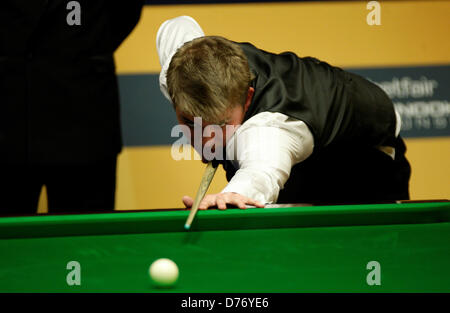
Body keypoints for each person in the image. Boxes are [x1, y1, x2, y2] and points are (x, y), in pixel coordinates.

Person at [156, 16, 411, 210]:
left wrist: (235, 194)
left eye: (219, 124)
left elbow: (261, 171)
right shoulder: (179, 70)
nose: (204, 139)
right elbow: (177, 25)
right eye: (190, 122)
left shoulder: (270, 130)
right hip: (309, 134)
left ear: (246, 99)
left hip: (363, 158)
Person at [0, 0, 144, 214]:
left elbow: (126, 10)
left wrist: (87, 50)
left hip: (85, 118)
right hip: (9, 119)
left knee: (87, 242)